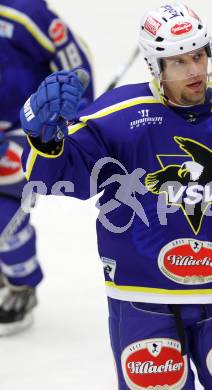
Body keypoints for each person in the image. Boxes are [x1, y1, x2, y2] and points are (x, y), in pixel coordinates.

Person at [19, 2, 212, 389]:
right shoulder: (118, 116)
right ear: (155, 67)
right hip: (141, 300)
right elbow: (53, 176)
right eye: (179, 62)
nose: (194, 70)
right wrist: (43, 138)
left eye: (199, 56)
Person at [0, 0, 94, 335]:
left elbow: (74, 59)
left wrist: (77, 112)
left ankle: (21, 284)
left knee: (3, 212)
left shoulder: (24, 13)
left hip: (22, 127)